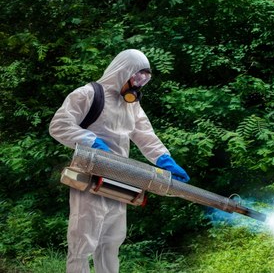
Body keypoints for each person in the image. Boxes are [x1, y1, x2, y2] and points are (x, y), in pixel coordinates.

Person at [49, 49, 190, 273]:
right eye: (136, 78)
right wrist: (91, 141)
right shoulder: (88, 94)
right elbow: (59, 126)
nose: (137, 85)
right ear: (122, 71)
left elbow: (146, 136)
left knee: (111, 242)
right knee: (83, 242)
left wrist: (165, 160)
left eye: (144, 80)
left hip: (120, 178)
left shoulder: (132, 105)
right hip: (90, 176)